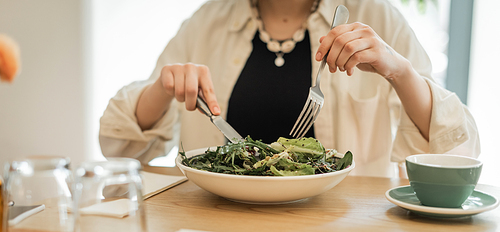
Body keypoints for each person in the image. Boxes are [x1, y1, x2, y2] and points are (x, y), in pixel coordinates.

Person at [99, 0, 480, 177]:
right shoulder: (207, 22)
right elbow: (119, 144)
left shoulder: (376, 14)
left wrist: (400, 71)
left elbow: (457, 148)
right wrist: (163, 89)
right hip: (214, 229)